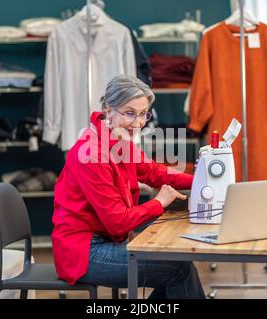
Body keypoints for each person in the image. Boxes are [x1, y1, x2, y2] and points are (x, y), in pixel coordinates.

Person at [52, 75, 205, 299]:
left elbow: (154, 173)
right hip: (83, 252)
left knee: (177, 267)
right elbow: (117, 222)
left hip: (105, 241)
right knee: (177, 270)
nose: (138, 123)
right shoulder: (91, 154)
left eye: (143, 114)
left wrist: (203, 180)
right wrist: (158, 202)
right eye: (130, 113)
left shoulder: (119, 140)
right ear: (107, 109)